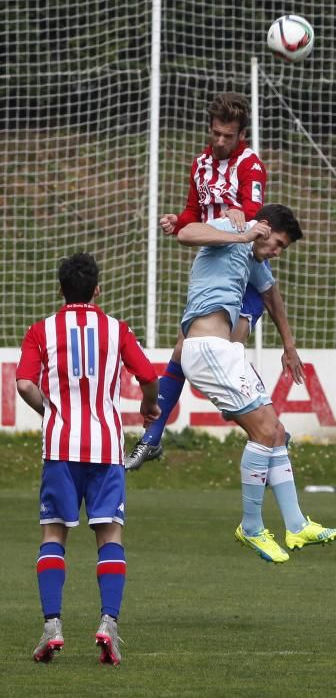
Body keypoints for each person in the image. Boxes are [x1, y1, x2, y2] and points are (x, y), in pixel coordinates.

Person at [126, 92, 300, 470]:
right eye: (216, 133)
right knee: (187, 352)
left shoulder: (251, 164)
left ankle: (254, 419)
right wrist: (179, 222)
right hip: (217, 252)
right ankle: (257, 425)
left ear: (241, 135)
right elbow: (193, 212)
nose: (221, 141)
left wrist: (243, 217)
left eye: (229, 136)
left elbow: (253, 213)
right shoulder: (200, 164)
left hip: (241, 255)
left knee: (220, 343)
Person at [177, 204, 336, 563]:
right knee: (265, 432)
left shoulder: (253, 254)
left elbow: (272, 296)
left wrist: (289, 345)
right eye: (278, 244)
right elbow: (186, 233)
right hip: (207, 349)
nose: (276, 252)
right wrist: (240, 234)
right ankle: (251, 527)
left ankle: (296, 524)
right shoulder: (233, 230)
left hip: (225, 351)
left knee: (276, 431)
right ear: (264, 229)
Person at [16, 253, 160, 665]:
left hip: (61, 446)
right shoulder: (116, 330)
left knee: (54, 535)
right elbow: (148, 377)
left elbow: (25, 383)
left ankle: (52, 627)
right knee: (109, 536)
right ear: (98, 289)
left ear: (60, 290)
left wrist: (50, 412)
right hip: (105, 446)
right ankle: (108, 624)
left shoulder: (42, 330)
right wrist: (149, 406)